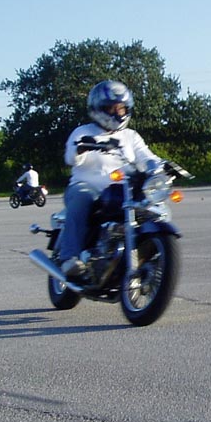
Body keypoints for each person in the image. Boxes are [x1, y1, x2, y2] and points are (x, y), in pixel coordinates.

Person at [59, 80, 159, 278]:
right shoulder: (83, 132)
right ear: (98, 109)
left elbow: (146, 156)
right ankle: (69, 258)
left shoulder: (131, 136)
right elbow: (71, 158)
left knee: (153, 209)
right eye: (111, 108)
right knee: (81, 198)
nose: (117, 113)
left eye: (121, 108)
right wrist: (81, 148)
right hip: (88, 187)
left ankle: (149, 257)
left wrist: (160, 166)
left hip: (123, 190)